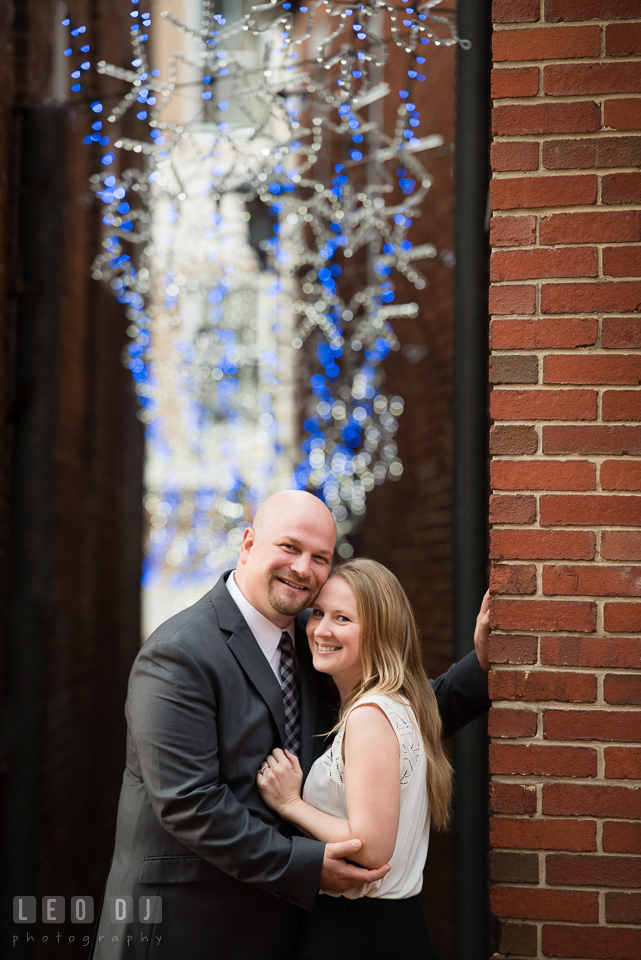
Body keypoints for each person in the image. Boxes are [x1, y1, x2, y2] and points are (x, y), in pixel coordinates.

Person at [90, 490, 490, 960]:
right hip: (186, 925)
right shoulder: (179, 653)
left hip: (284, 929)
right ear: (248, 543)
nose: (303, 568)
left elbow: (391, 723)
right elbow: (189, 802)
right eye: (289, 547)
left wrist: (483, 664)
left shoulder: (313, 641)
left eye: (320, 557)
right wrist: (308, 865)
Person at [258, 557, 485, 960]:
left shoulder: (369, 716)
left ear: (379, 632)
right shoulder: (401, 704)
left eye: (342, 618)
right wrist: (483, 662)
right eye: (319, 613)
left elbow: (370, 848)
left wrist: (290, 803)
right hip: (379, 926)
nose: (321, 630)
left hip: (359, 931)